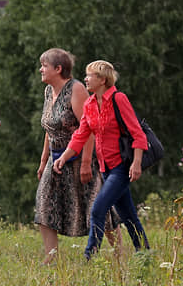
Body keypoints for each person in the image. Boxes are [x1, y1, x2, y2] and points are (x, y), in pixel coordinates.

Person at [53, 60, 150, 260]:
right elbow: (81, 135)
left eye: (90, 76)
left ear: (103, 80)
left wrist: (137, 162)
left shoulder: (118, 99)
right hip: (105, 168)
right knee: (128, 216)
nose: (86, 79)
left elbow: (137, 133)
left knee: (98, 209)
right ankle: (145, 254)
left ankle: (90, 256)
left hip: (121, 167)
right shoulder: (89, 104)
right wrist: (63, 157)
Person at [34, 48, 120, 264]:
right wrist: (44, 159)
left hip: (81, 157)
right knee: (44, 204)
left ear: (58, 68)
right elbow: (49, 128)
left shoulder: (76, 89)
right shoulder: (48, 92)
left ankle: (119, 254)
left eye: (44, 66)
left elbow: (88, 127)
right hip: (56, 159)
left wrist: (85, 163)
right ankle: (51, 257)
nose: (40, 70)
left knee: (97, 208)